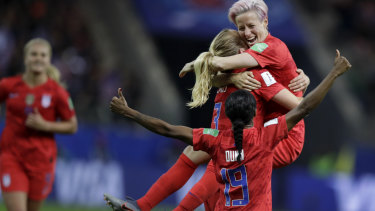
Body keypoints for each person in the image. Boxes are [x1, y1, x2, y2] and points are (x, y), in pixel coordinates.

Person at [104, 49, 351, 211]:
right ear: (255, 112)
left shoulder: (217, 138)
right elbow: (304, 108)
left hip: (263, 149)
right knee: (208, 161)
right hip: (258, 148)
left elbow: (168, 129)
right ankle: (148, 205)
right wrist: (332, 74)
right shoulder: (264, 134)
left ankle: (147, 206)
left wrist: (130, 113)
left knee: (212, 160)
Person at [0, 38, 78, 211]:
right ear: (25, 58)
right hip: (11, 157)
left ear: (48, 60)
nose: (38, 58)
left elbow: (72, 125)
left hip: (41, 160)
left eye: (43, 55)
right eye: (33, 54)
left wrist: (46, 125)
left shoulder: (58, 93)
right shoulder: (9, 86)